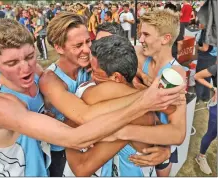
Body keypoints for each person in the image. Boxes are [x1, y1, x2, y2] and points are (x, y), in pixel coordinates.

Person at [0, 18, 183, 177]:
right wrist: (144, 101)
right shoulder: (0, 102)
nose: (25, 67)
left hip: (51, 163)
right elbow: (78, 131)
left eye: (29, 56)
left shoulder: (83, 70)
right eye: (12, 63)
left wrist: (164, 150)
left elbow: (122, 66)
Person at [40, 12, 185, 177]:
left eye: (89, 41)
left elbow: (122, 62)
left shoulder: (95, 62)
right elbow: (83, 115)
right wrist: (147, 96)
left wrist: (167, 150)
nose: (87, 50)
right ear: (58, 48)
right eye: (78, 45)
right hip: (63, 149)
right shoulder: (52, 79)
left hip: (100, 150)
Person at [63, 34, 177, 177]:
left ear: (116, 77)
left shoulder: (135, 115)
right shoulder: (133, 96)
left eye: (96, 73)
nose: (92, 77)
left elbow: (81, 168)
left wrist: (68, 137)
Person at [128, 9, 186, 176]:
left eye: (146, 35)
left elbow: (150, 101)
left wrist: (134, 80)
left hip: (162, 142)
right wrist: (140, 74)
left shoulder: (175, 72)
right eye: (140, 34)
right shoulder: (140, 53)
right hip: (139, 137)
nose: (141, 39)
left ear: (165, 39)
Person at [194, 63, 217, 175]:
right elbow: (197, 76)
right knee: (212, 133)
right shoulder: (216, 68)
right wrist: (214, 88)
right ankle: (201, 156)